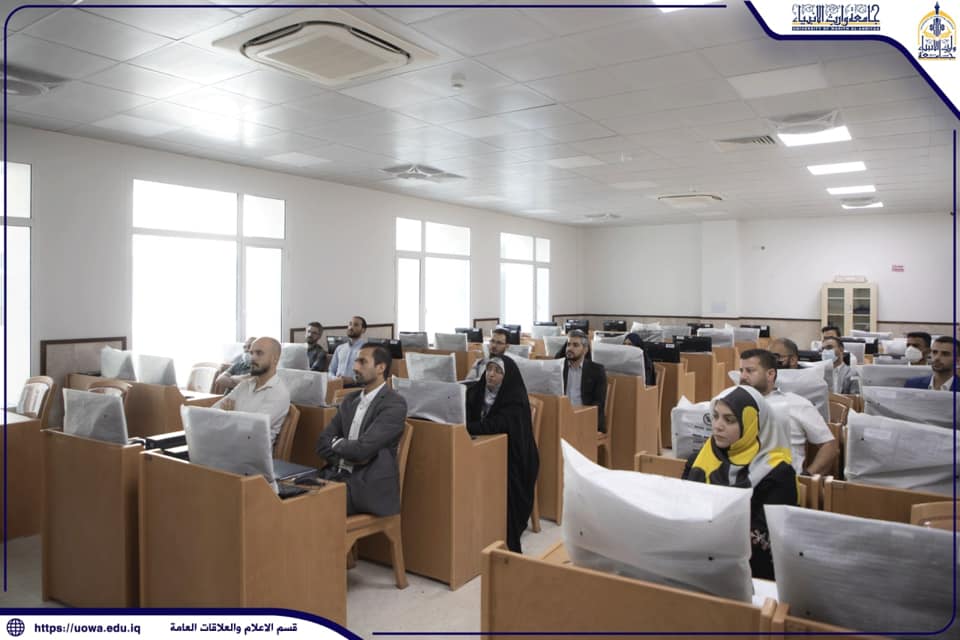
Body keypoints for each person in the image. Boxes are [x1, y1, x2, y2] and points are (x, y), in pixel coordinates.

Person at [681, 385, 797, 580]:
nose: (717, 426)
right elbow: (680, 509)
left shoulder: (777, 473)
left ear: (752, 425)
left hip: (752, 575)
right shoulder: (699, 460)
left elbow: (764, 541)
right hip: (696, 562)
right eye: (715, 416)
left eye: (729, 420)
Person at [316, 343, 407, 516]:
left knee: (309, 508)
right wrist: (346, 453)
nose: (355, 367)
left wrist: (336, 444)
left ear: (380, 368)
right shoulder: (350, 399)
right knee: (291, 496)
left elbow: (361, 450)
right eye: (355, 361)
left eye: (362, 362)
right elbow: (322, 443)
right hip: (337, 477)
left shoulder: (394, 403)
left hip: (368, 487)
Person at [465, 357, 539, 553]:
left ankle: (498, 535)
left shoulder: (515, 399)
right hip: (484, 450)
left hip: (515, 458)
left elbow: (496, 425)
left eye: (498, 371)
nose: (491, 374)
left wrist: (466, 427)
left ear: (507, 377)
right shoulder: (475, 392)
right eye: (489, 369)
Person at [738, 349, 838, 476]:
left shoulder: (796, 403)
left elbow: (829, 446)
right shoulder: (731, 403)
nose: (743, 377)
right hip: (738, 478)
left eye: (750, 371)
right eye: (741, 371)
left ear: (770, 374)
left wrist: (807, 476)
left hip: (782, 480)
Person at [214, 337, 290, 446]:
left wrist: (229, 415)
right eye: (251, 353)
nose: (252, 358)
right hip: (228, 443)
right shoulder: (245, 385)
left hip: (250, 451)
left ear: (275, 359)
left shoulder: (279, 393)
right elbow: (213, 412)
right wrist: (232, 419)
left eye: (259, 353)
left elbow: (251, 430)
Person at [563, 329, 607, 431]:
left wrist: (580, 415)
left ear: (585, 350)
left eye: (575, 345)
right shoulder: (559, 367)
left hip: (586, 419)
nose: (570, 348)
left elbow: (598, 403)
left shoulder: (597, 370)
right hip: (563, 417)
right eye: (568, 344)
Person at [329, 316, 368, 381]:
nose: (351, 327)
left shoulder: (367, 348)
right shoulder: (339, 348)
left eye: (356, 325)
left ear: (363, 330)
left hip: (356, 385)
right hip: (336, 383)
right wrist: (335, 379)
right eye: (350, 324)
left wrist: (352, 380)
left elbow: (369, 374)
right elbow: (331, 370)